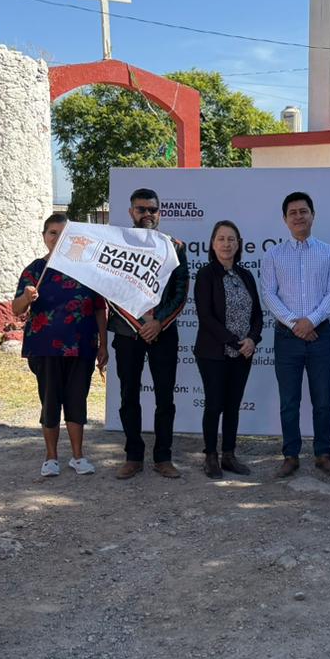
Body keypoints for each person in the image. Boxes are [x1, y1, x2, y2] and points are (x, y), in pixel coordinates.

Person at [12, 213, 109, 478]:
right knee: (50, 402)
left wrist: (103, 344)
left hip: (83, 345)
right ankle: (51, 457)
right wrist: (26, 296)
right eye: (52, 233)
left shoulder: (87, 267)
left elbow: (100, 309)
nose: (57, 238)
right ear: (44, 237)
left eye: (63, 233)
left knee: (77, 400)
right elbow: (16, 309)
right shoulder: (34, 270)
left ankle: (78, 457)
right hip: (45, 347)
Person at [261, 191, 330, 478]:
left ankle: (323, 453)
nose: (298, 216)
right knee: (289, 401)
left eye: (303, 211)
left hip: (321, 335)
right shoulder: (273, 255)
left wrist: (311, 321)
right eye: (293, 212)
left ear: (312, 215)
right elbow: (268, 294)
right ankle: (291, 454)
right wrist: (294, 324)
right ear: (285, 220)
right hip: (286, 337)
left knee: (322, 400)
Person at [109, 188, 190, 480]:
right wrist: (139, 322)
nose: (147, 214)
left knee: (165, 397)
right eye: (141, 209)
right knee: (128, 395)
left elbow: (181, 292)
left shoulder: (175, 247)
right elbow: (110, 289)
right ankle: (133, 456)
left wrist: (158, 322)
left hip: (163, 332)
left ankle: (163, 457)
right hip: (126, 332)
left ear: (160, 213)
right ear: (131, 212)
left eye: (152, 210)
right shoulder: (115, 244)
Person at [194, 219, 264, 479]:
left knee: (233, 405)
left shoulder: (245, 275)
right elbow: (206, 317)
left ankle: (229, 455)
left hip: (244, 353)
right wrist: (236, 341)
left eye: (231, 239)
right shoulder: (206, 274)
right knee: (214, 405)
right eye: (221, 238)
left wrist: (252, 340)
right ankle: (210, 456)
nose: (226, 243)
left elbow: (257, 314)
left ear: (239, 244)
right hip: (213, 353)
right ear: (212, 244)